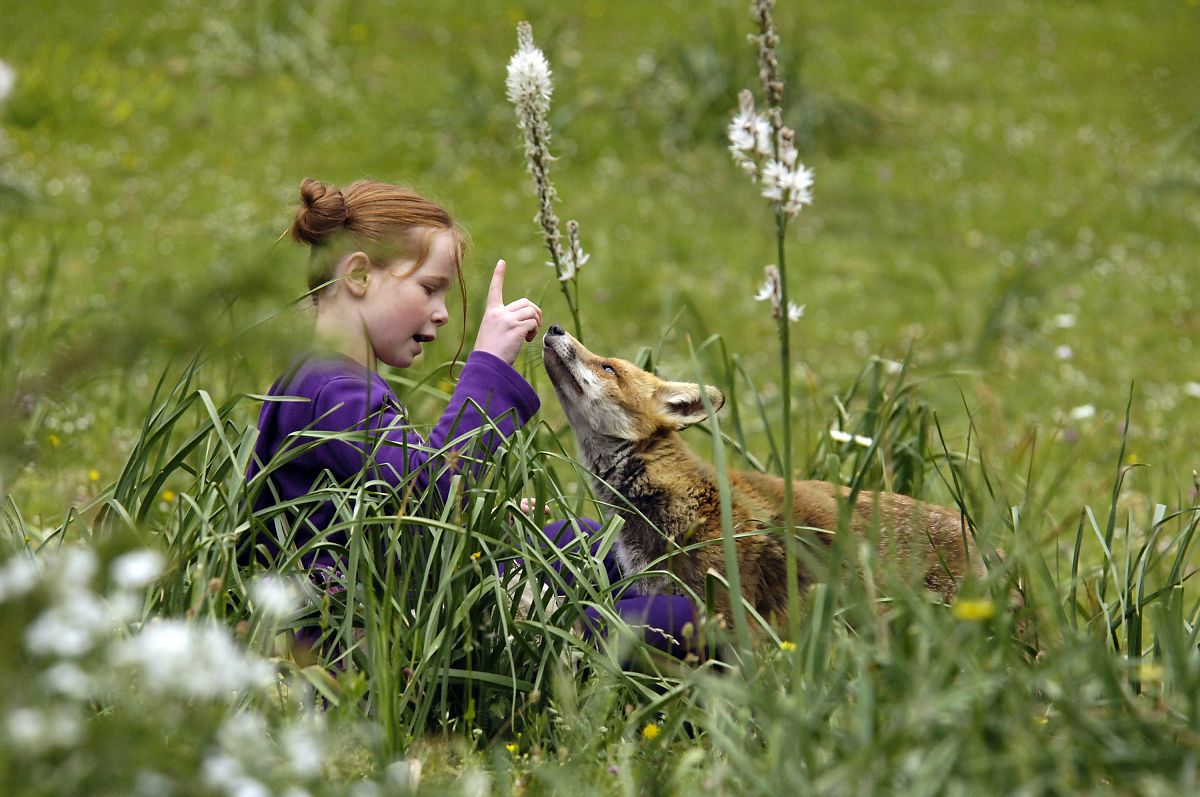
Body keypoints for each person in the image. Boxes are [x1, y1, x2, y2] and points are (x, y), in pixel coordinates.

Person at [244, 178, 698, 660]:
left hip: (409, 597)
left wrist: (488, 515)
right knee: (687, 617)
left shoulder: (325, 380)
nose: (442, 314)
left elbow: (397, 508)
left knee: (590, 543)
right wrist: (489, 367)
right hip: (377, 643)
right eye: (429, 289)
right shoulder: (333, 391)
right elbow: (428, 496)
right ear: (358, 276)